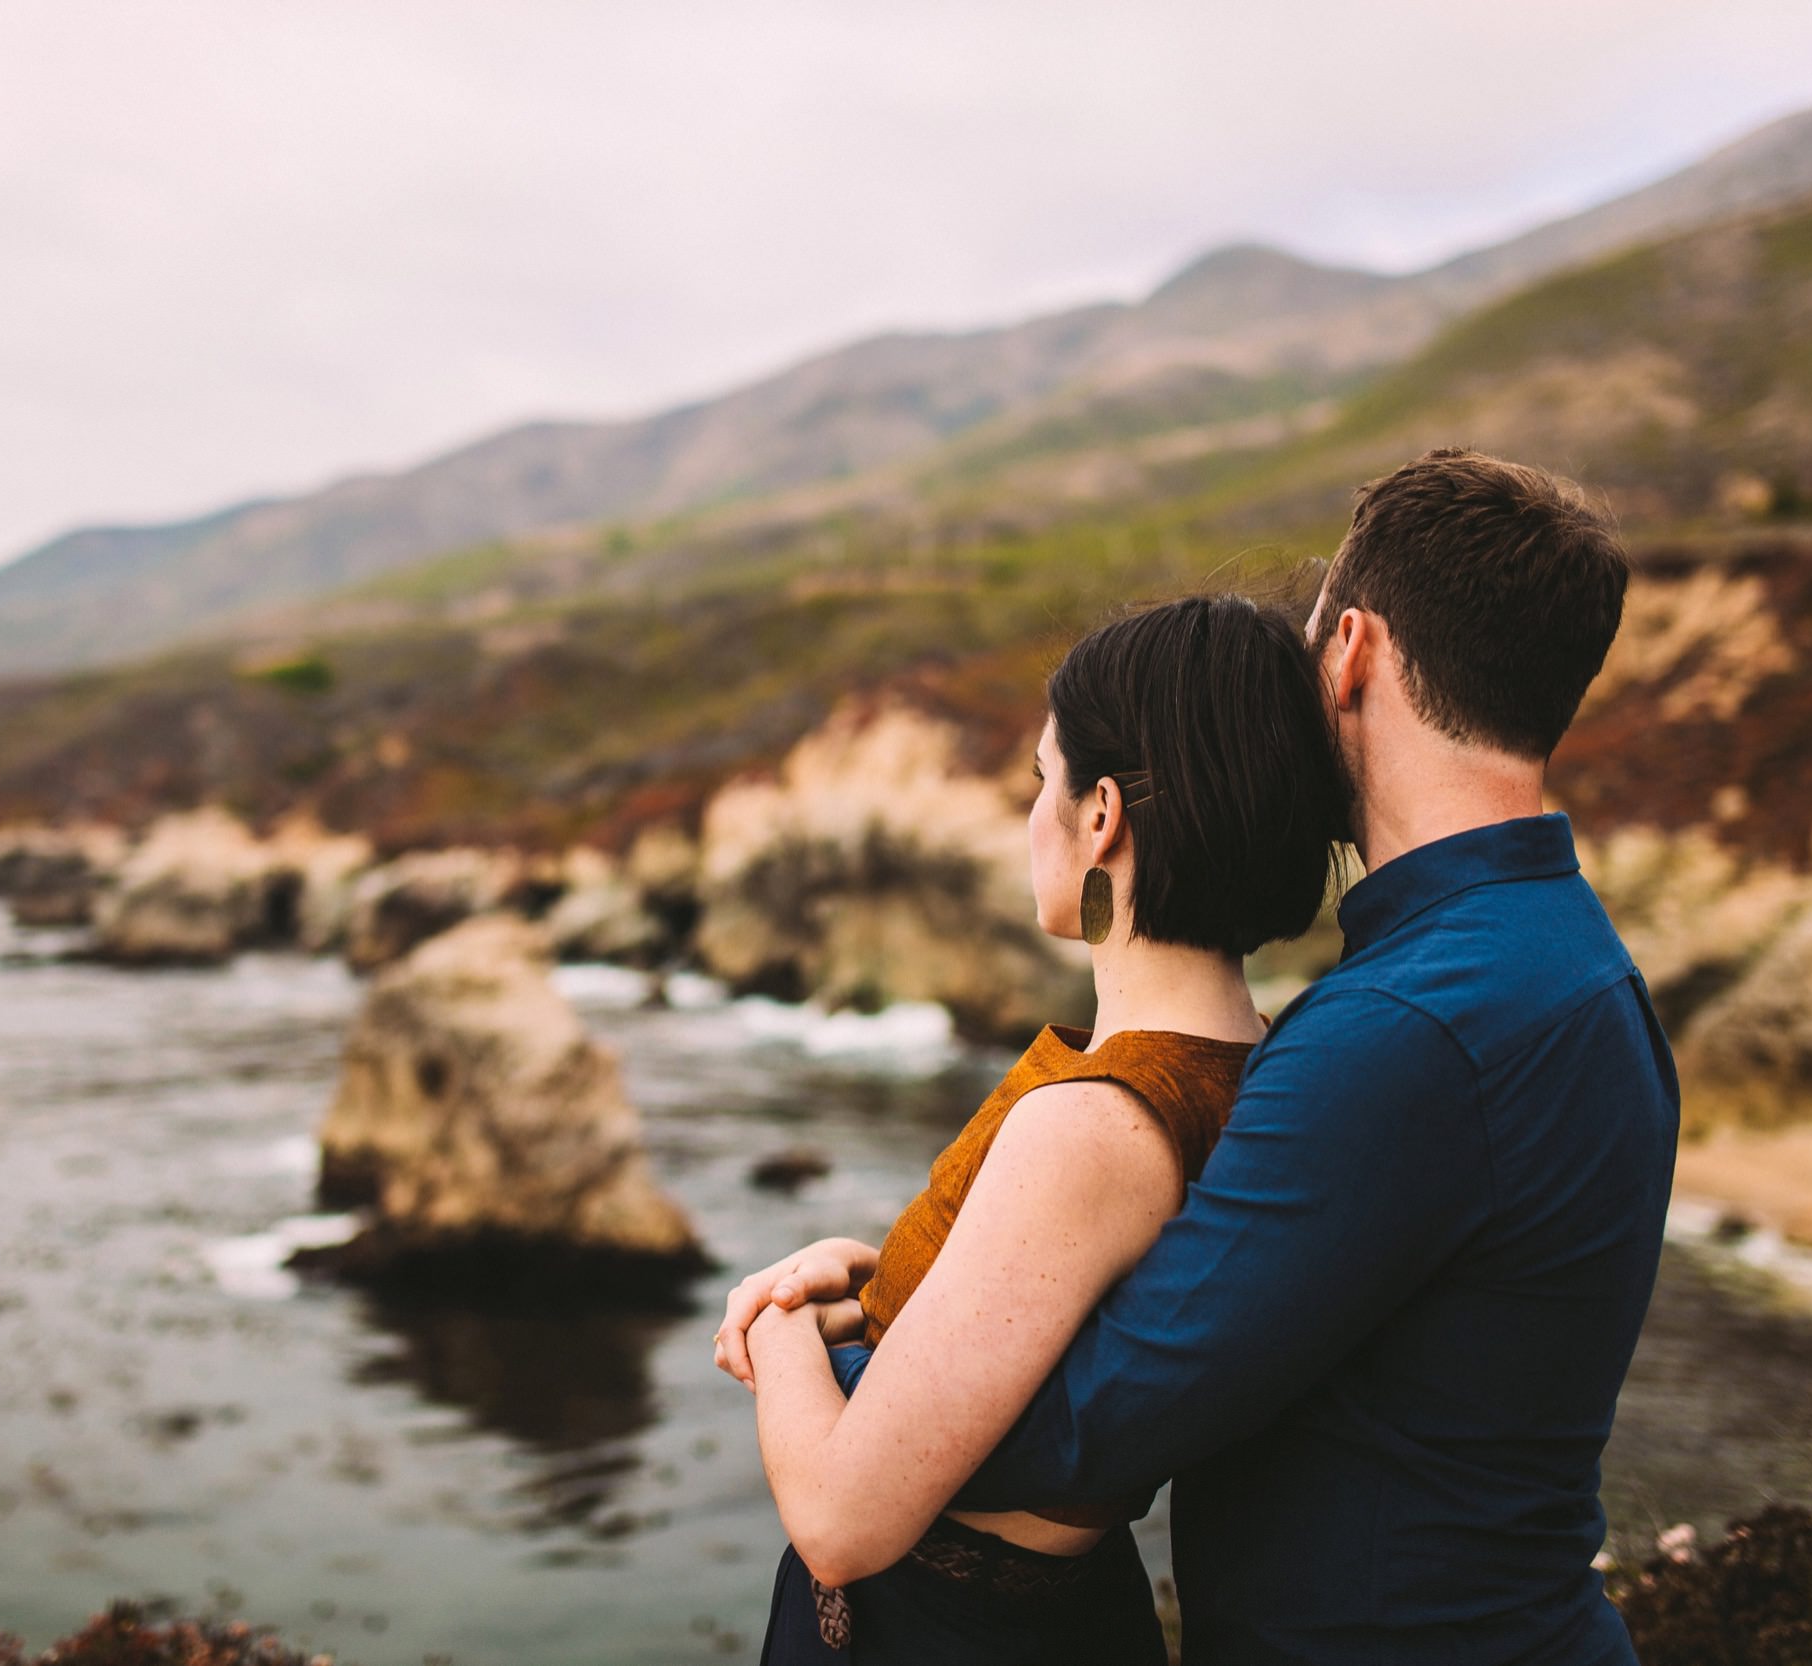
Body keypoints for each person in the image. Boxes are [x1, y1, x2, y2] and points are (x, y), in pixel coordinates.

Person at [719, 448, 1678, 1665]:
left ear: (1351, 653)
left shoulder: (1405, 1027)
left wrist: (828, 1348)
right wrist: (936, 1279)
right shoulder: (1568, 962)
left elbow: (1099, 1410)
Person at [729, 590, 1346, 1663]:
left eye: (1039, 781)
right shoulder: (1262, 1066)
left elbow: (836, 1521)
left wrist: (777, 1322)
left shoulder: (1096, 1123)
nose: (1031, 817)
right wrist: (865, 1290)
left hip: (942, 1629)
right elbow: (1056, 1318)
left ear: (1100, 815)